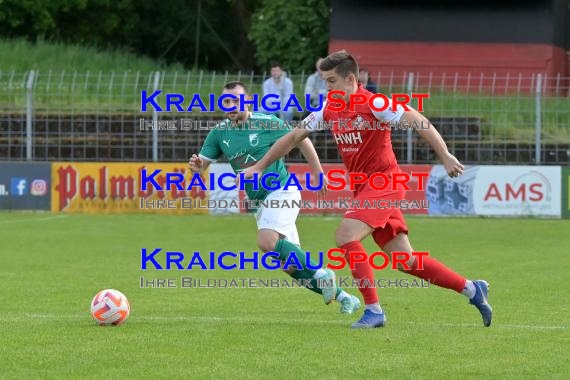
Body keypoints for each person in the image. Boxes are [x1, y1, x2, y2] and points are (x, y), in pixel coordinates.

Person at [242, 51, 492, 329]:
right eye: (325, 81)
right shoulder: (329, 109)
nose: (327, 87)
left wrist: (445, 156)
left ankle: (374, 310)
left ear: (351, 79)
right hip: (365, 190)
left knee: (346, 235)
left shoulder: (375, 103)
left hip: (385, 184)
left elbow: (419, 120)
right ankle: (472, 289)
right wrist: (261, 165)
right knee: (405, 260)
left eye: (331, 81)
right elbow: (292, 137)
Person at [189, 80, 360, 314]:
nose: (230, 105)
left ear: (247, 101)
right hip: (260, 204)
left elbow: (303, 139)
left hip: (281, 191)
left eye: (235, 100)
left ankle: (323, 273)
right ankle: (346, 298)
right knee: (290, 266)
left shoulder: (265, 122)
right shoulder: (219, 133)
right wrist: (197, 166)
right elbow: (202, 166)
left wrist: (319, 174)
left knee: (266, 242)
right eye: (226, 101)